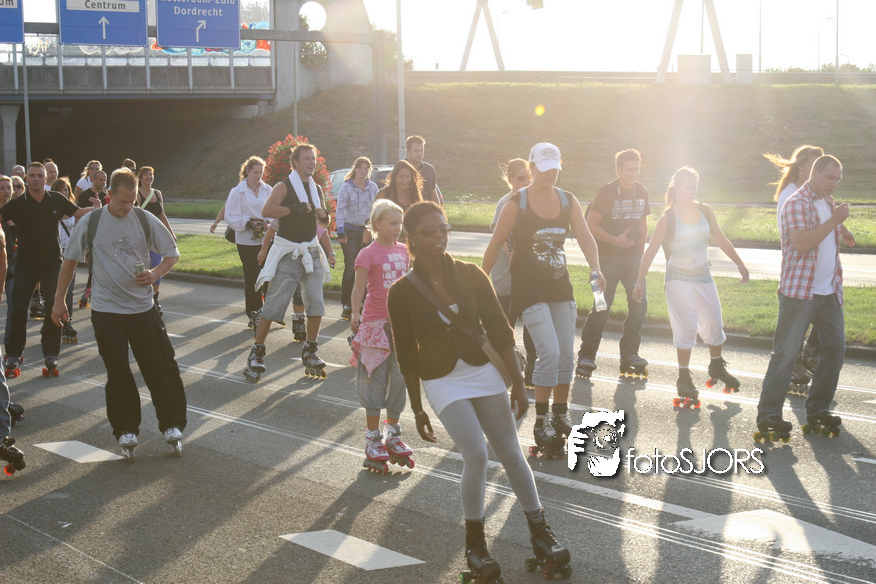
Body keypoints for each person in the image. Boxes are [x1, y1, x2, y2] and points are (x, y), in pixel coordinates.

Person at [388, 201, 570, 581]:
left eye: (443, 228)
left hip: (483, 370)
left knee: (511, 452)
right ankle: (475, 546)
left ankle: (541, 533)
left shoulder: (471, 274)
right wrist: (417, 409)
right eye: (429, 231)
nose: (439, 236)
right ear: (412, 238)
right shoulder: (401, 292)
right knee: (476, 454)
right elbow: (406, 355)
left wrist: (518, 384)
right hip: (441, 378)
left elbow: (501, 331)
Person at [51, 167, 187, 459]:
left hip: (142, 308)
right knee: (118, 371)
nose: (128, 207)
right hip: (107, 310)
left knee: (161, 366)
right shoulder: (92, 221)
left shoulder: (143, 218)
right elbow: (70, 261)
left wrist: (155, 273)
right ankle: (126, 429)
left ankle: (172, 424)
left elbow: (172, 253)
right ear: (109, 195)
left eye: (132, 201)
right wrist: (59, 301)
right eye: (123, 201)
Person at [482, 143, 604, 456]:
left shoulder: (567, 200)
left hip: (558, 285)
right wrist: (480, 281)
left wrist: (596, 268)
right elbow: (495, 244)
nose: (550, 174)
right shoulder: (517, 203)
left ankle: (560, 414)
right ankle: (541, 421)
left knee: (566, 354)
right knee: (548, 351)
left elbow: (585, 236)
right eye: (544, 168)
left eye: (555, 168)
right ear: (533, 168)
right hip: (528, 288)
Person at [633, 167, 749, 407]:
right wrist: (639, 281)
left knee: (714, 323)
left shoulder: (705, 211)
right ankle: (684, 378)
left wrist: (740, 263)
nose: (692, 191)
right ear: (675, 188)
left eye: (695, 187)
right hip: (678, 279)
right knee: (686, 329)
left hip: (703, 276)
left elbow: (721, 238)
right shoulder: (668, 219)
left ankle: (716, 365)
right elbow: (651, 251)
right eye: (688, 187)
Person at [756, 155, 849, 439]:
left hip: (828, 291)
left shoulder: (828, 202)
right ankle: (769, 415)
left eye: (837, 179)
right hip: (800, 292)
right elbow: (801, 242)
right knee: (786, 353)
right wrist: (835, 220)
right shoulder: (796, 202)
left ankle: (818, 409)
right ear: (814, 173)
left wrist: (841, 227)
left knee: (835, 348)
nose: (833, 184)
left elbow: (827, 236)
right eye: (829, 177)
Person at [244, 144, 331, 382]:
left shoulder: (316, 189)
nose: (311, 162)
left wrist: (324, 217)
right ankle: (257, 351)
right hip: (289, 252)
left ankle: (311, 350)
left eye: (314, 159)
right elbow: (267, 209)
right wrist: (294, 208)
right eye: (307, 159)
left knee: (316, 304)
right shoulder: (284, 186)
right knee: (273, 305)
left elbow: (322, 224)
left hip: (310, 250)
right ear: (295, 162)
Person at [0, 163, 97, 377]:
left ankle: (51, 353)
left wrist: (98, 209)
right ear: (26, 179)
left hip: (52, 263)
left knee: (54, 306)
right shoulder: (17, 204)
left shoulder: (57, 199)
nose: (36, 179)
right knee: (18, 308)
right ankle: (14, 353)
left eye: (40, 176)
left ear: (45, 179)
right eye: (32, 175)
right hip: (25, 263)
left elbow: (79, 212)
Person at [576, 149, 651, 379]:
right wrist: (616, 241)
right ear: (618, 170)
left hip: (633, 261)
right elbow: (590, 225)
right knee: (600, 306)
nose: (633, 174)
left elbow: (643, 224)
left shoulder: (642, 191)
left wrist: (640, 254)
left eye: (636, 169)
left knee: (639, 304)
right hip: (604, 261)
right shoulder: (606, 192)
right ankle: (586, 356)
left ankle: (629, 354)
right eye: (629, 170)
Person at [349, 199, 412, 473]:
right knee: (374, 380)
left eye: (400, 223)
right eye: (392, 223)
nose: (398, 228)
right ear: (377, 224)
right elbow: (358, 288)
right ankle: (372, 438)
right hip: (376, 325)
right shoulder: (367, 254)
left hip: (402, 325)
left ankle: (393, 434)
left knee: (399, 379)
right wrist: (355, 313)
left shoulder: (404, 251)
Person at [489, 158, 537, 386]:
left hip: (527, 278)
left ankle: (531, 370)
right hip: (506, 278)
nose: (526, 182)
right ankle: (499, 370)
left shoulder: (532, 202)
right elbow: (507, 246)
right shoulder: (506, 203)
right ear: (510, 179)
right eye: (521, 178)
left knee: (533, 324)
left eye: (529, 178)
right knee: (505, 329)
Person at [225, 157, 272, 329]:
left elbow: (274, 210)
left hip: (266, 239)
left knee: (268, 276)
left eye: (261, 172)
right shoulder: (238, 191)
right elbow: (230, 215)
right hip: (246, 241)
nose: (258, 176)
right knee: (253, 277)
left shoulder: (268, 189)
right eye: (255, 172)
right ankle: (254, 312)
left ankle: (269, 312)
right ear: (248, 171)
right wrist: (248, 223)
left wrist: (268, 223)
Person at [336, 157, 379, 320]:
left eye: (366, 168)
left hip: (367, 231)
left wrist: (376, 228)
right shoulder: (347, 187)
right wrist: (340, 231)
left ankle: (362, 302)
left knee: (366, 268)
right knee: (350, 267)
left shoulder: (372, 187)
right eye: (361, 168)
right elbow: (340, 209)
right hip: (350, 230)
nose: (363, 171)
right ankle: (347, 303)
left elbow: (376, 208)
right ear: (355, 169)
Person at [136, 166, 176, 315]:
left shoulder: (157, 193)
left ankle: (155, 298)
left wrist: (171, 233)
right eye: (146, 175)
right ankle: (142, 298)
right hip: (142, 238)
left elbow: (162, 214)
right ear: (140, 178)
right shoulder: (137, 194)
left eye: (151, 175)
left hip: (156, 237)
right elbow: (134, 214)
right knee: (142, 267)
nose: (149, 177)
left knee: (157, 266)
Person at [75, 170, 108, 308]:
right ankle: (89, 290)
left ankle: (90, 290)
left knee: (98, 263)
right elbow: (79, 215)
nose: (103, 182)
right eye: (100, 180)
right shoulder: (85, 195)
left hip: (102, 235)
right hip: (89, 234)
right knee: (93, 263)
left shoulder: (106, 196)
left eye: (105, 180)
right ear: (93, 180)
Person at [53, 177, 79, 344]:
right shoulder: (50, 209)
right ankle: (52, 320)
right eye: (61, 190)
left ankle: (67, 323)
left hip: (70, 254)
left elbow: (80, 229)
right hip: (54, 254)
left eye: (66, 190)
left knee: (68, 291)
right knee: (54, 290)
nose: (64, 192)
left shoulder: (73, 210)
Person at [374, 160, 423, 239]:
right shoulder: (384, 194)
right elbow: (373, 220)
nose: (405, 180)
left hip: (410, 242)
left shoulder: (414, 194)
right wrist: (365, 243)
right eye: (401, 176)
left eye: (408, 176)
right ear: (394, 177)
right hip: (388, 242)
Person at [405, 135, 441, 205]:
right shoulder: (400, 168)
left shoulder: (429, 169)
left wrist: (438, 210)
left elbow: (434, 194)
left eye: (421, 151)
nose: (419, 154)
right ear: (408, 151)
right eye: (416, 151)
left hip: (426, 210)